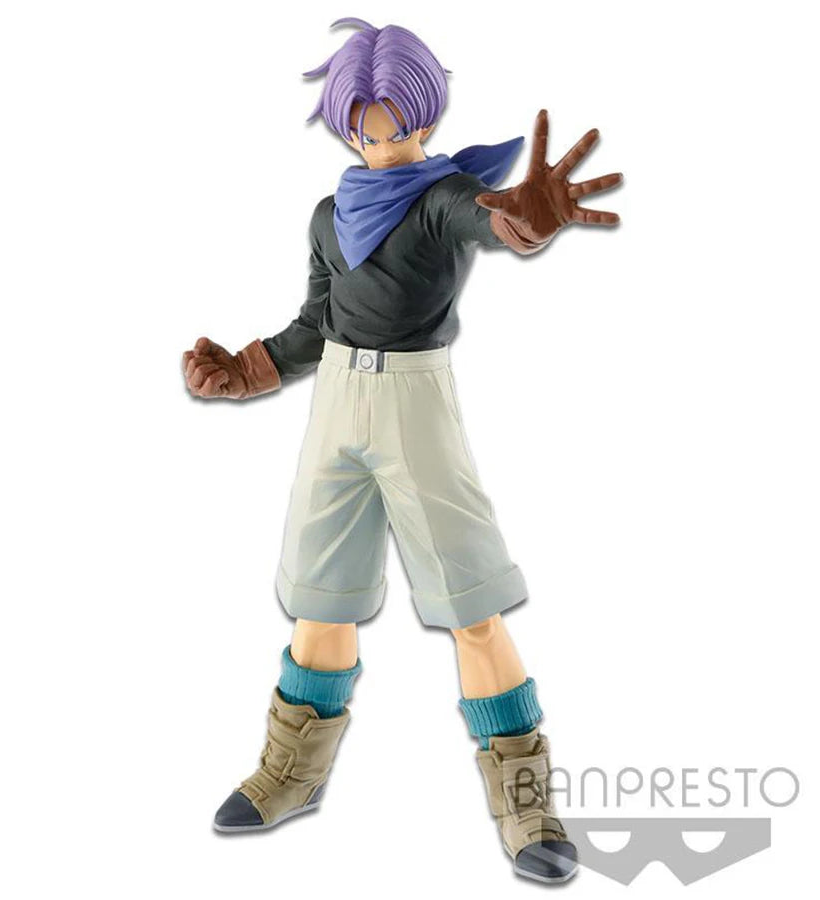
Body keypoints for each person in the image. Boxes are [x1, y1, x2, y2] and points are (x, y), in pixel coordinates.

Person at [182, 18, 621, 885]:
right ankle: (292, 771)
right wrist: (249, 368)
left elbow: (487, 222)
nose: (382, 149)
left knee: (471, 603)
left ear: (427, 119)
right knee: (321, 597)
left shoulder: (442, 199)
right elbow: (318, 322)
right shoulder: (328, 215)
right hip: (336, 401)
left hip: (416, 404)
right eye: (365, 133)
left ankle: (526, 802)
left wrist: (526, 221)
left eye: (398, 131)